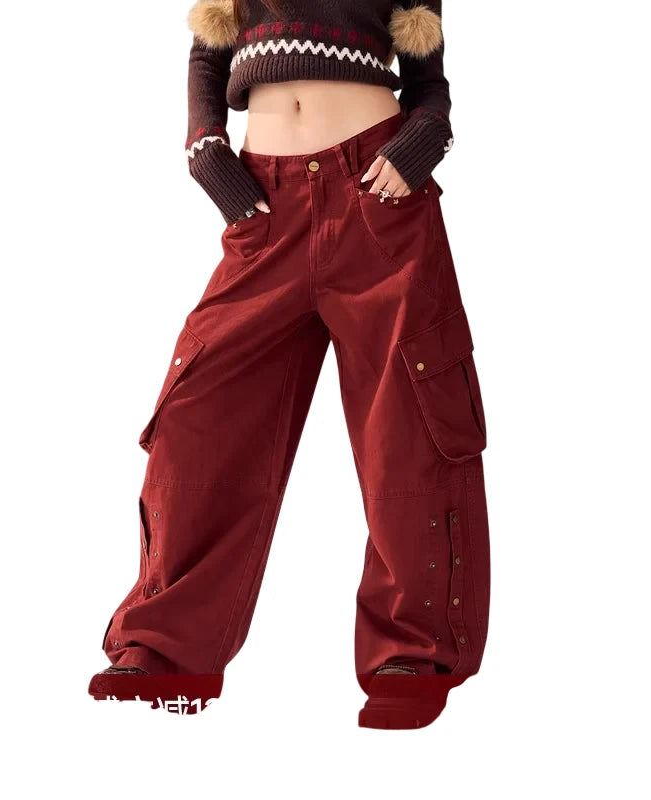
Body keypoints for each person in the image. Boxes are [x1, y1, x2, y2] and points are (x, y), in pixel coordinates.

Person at [88, 0, 490, 730]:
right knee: (196, 418)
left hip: (378, 194)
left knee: (406, 423)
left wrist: (420, 143)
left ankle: (413, 653)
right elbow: (206, 56)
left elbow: (429, 83)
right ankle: (168, 646)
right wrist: (206, 151)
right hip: (264, 204)